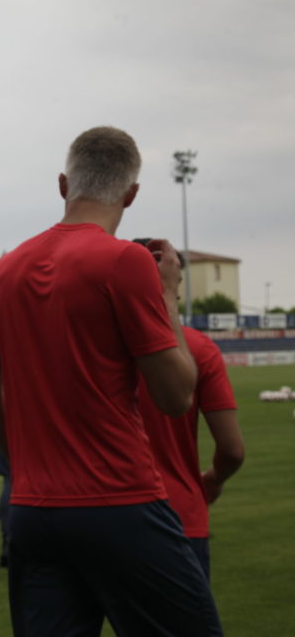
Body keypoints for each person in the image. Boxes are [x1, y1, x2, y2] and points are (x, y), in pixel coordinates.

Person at [0, 126, 223, 636]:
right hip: (119, 501)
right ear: (131, 194)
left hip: (33, 510)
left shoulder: (6, 270)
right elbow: (176, 397)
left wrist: (17, 458)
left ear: (64, 185)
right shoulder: (125, 260)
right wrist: (169, 294)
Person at [135, 247, 244, 579]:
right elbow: (232, 450)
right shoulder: (200, 349)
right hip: (178, 513)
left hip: (98, 513)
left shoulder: (98, 345)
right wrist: (213, 480)